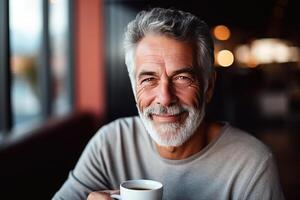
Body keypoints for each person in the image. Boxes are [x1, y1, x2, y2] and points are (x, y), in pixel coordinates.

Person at [53, 7, 285, 200]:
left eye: (182, 78)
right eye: (149, 79)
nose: (165, 97)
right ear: (134, 89)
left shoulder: (252, 164)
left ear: (209, 86)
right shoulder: (110, 144)